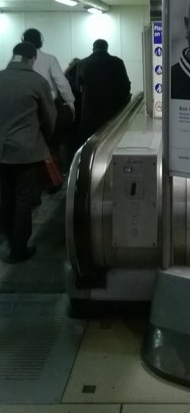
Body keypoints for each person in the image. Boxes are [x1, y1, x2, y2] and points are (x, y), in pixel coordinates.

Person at [0, 42, 56, 263]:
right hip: (26, 151)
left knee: (4, 197)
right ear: (32, 59)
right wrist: (45, 138)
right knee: (24, 199)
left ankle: (9, 237)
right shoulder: (37, 81)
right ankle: (19, 248)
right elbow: (50, 118)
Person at [22, 28, 75, 173]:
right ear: (40, 41)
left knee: (31, 143)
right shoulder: (49, 59)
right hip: (48, 106)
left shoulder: (18, 61)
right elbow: (62, 83)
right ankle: (53, 177)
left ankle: (34, 176)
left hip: (25, 108)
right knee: (52, 143)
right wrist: (70, 102)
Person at [77, 39, 131, 141]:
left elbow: (77, 88)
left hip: (89, 112)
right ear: (107, 48)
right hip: (112, 111)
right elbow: (126, 85)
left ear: (93, 49)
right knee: (111, 140)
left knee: (90, 141)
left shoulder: (82, 63)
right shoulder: (117, 62)